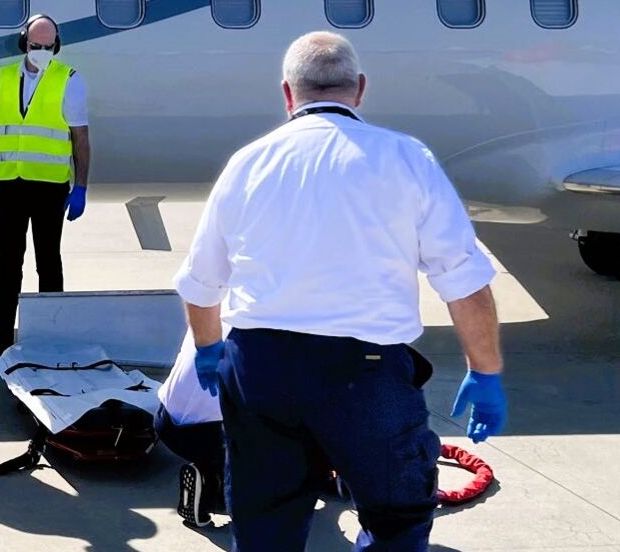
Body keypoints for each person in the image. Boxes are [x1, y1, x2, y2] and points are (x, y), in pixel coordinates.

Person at [175, 32, 507, 552]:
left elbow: (200, 282)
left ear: (288, 93)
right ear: (361, 89)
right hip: (366, 376)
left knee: (264, 527)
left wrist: (209, 348)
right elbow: (464, 282)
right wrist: (485, 372)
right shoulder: (406, 158)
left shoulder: (248, 163)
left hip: (260, 369)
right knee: (397, 517)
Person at [0, 13, 90, 361]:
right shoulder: (5, 78)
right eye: (35, 46)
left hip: (50, 186)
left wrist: (80, 187)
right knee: (9, 263)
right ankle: (2, 335)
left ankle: (52, 338)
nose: (40, 51)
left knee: (48, 262)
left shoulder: (69, 80)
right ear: (25, 43)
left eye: (47, 46)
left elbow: (80, 137)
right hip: (10, 184)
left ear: (56, 46)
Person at [157, 328, 228, 528]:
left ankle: (214, 473)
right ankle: (215, 480)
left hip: (166, 421)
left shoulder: (209, 303)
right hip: (212, 435)